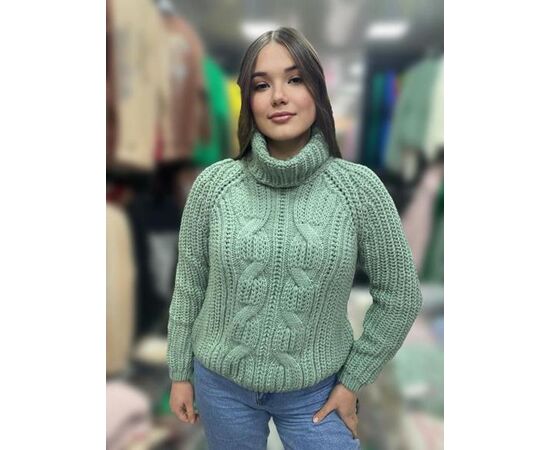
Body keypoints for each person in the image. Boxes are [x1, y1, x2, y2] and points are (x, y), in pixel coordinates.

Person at [167, 27, 423, 450]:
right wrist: (180, 372)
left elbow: (400, 296)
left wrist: (353, 380)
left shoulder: (359, 189)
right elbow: (190, 284)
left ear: (317, 91)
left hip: (316, 390)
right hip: (220, 385)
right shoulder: (213, 186)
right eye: (261, 85)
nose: (278, 96)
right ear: (248, 100)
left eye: (295, 79)